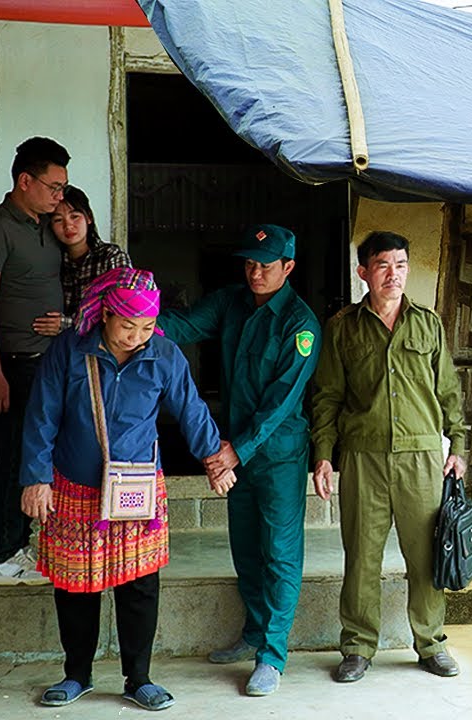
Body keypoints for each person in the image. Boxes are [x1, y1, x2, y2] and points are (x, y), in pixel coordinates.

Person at [19, 267, 231, 710]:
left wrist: (214, 458)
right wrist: (36, 478)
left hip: (136, 487)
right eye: (128, 326)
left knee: (139, 584)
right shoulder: (69, 350)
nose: (137, 337)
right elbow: (42, 414)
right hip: (75, 484)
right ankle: (76, 674)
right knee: (76, 585)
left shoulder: (164, 354)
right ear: (105, 316)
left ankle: (139, 679)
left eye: (147, 327)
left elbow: (191, 409)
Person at [158, 224, 321, 696]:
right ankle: (253, 632)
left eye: (265, 266)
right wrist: (133, 317)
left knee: (280, 552)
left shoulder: (301, 324)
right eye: (249, 263)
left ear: (288, 267)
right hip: (237, 451)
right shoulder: (231, 302)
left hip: (278, 455)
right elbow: (183, 325)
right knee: (245, 547)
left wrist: (235, 450)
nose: (255, 273)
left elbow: (280, 403)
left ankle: (272, 654)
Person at [311, 231, 468, 683]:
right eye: (382, 265)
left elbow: (448, 391)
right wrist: (324, 455)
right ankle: (358, 647)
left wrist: (459, 446)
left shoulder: (428, 324)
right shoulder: (343, 327)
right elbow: (327, 396)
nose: (393, 274)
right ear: (364, 271)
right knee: (362, 556)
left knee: (426, 557)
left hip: (421, 457)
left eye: (400, 265)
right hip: (363, 457)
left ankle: (431, 643)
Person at [0, 136, 69, 586]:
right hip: (14, 363)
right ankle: (4, 556)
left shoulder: (46, 224)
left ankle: (22, 545)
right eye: (53, 186)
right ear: (25, 181)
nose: (59, 196)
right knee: (12, 458)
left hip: (49, 362)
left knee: (37, 457)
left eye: (63, 187)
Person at [32, 185, 131, 338]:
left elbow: (123, 311)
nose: (68, 226)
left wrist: (67, 324)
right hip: (61, 346)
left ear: (88, 218)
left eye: (75, 216)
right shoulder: (51, 260)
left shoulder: (111, 257)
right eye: (58, 220)